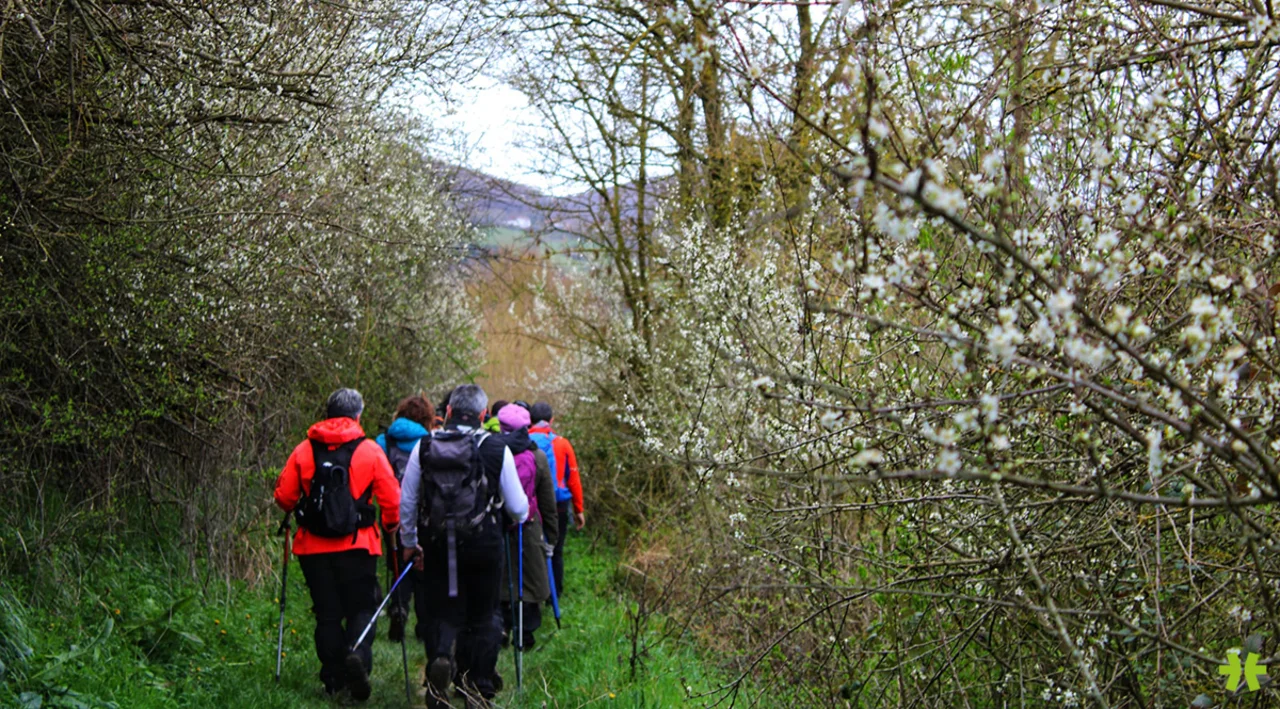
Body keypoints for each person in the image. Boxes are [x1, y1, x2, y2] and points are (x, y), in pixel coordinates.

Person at [400, 384, 528, 709]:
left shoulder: (424, 446)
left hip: (437, 542)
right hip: (484, 542)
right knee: (483, 615)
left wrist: (409, 543)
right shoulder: (496, 448)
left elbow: (408, 499)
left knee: (441, 610)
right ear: (484, 415)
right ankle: (477, 687)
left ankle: (441, 660)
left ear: (449, 412)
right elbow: (518, 508)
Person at [273, 388, 401, 700]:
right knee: (361, 608)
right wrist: (390, 526)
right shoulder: (370, 451)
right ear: (358, 415)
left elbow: (284, 497)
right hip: (359, 546)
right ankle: (356, 654)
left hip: (313, 549)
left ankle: (333, 679)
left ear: (327, 412)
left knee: (327, 614)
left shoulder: (304, 450)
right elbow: (392, 499)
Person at [495, 403, 559, 650]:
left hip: (500, 526)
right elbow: (547, 502)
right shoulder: (538, 457)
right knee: (529, 580)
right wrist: (551, 536)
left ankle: (502, 627)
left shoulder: (492, 452)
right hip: (529, 528)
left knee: (502, 578)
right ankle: (526, 633)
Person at [375, 394, 436, 643]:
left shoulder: (384, 441)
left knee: (397, 563)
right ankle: (424, 624)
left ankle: (399, 606)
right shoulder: (430, 442)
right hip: (422, 512)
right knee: (422, 566)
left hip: (391, 513)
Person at [528, 401, 584, 595]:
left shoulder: (523, 442)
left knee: (531, 548)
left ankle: (533, 593)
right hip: (558, 503)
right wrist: (578, 509)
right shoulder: (562, 443)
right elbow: (573, 479)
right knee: (556, 549)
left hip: (531, 503)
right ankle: (555, 594)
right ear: (551, 421)